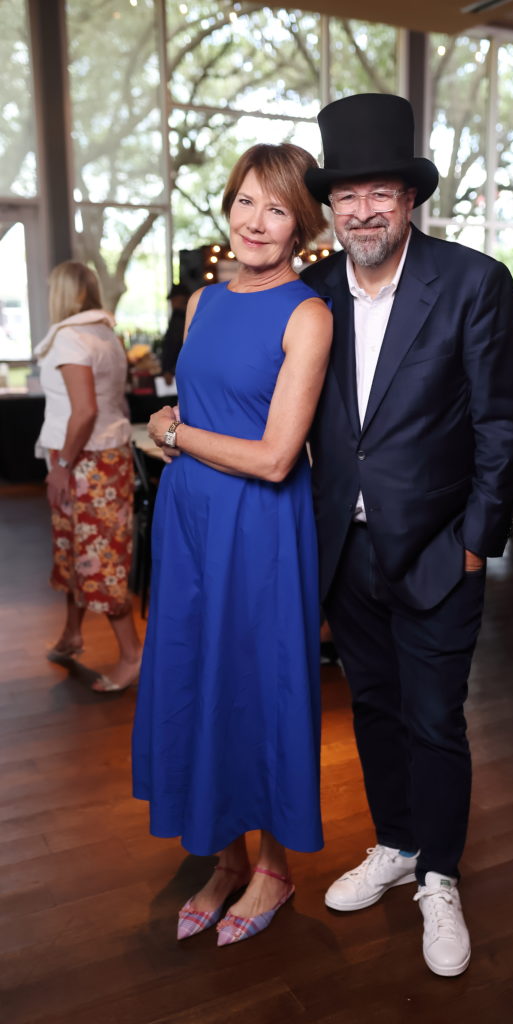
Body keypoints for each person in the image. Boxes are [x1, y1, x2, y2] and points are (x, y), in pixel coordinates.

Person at [301, 94, 513, 978]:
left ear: (409, 199)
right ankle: (395, 844)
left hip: (440, 551)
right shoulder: (313, 291)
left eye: (380, 193)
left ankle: (440, 874)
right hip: (346, 555)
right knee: (373, 711)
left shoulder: (472, 282)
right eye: (347, 195)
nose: (363, 210)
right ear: (330, 206)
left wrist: (476, 540)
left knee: (435, 723)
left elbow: (501, 426)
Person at [131, 143, 332, 946]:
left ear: (300, 224)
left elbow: (277, 455)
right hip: (188, 518)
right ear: (227, 208)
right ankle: (222, 856)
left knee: (258, 683)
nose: (255, 221)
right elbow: (189, 412)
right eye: (245, 201)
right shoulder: (200, 304)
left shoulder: (307, 314)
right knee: (192, 674)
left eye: (275, 208)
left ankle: (275, 865)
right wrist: (164, 426)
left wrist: (178, 431)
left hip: (259, 526)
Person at [34, 261, 142, 693]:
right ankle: (72, 634)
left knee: (99, 559)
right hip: (106, 454)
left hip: (83, 461)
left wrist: (61, 466)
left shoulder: (70, 338)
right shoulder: (104, 334)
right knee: (76, 549)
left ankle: (132, 655)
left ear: (61, 293)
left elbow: (85, 411)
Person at [160, 283, 190, 384]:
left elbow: (173, 344)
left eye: (174, 299)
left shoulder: (180, 318)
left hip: (180, 370)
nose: (172, 303)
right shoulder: (179, 316)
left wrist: (168, 369)